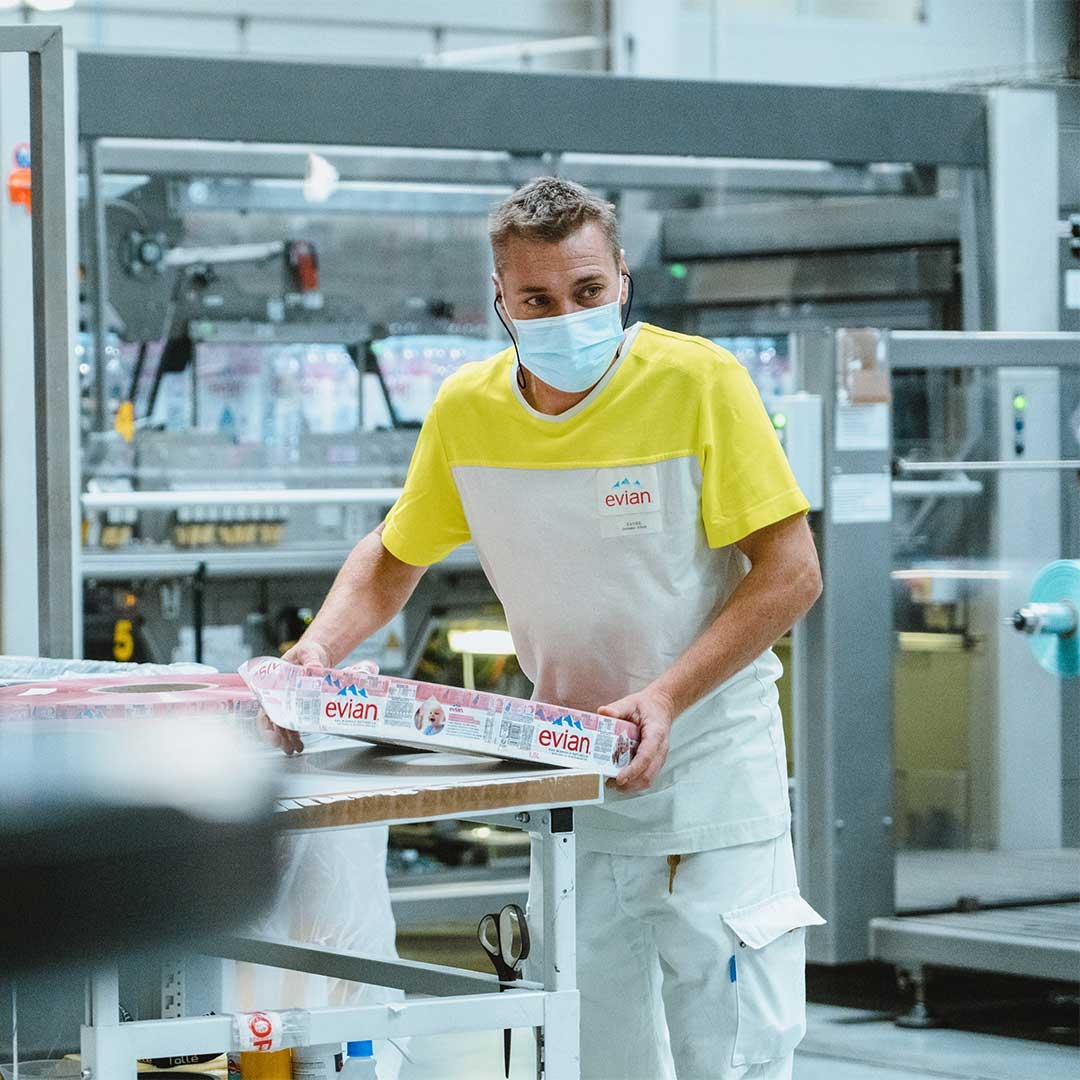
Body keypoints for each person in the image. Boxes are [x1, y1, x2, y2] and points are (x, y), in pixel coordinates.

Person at [264, 176, 824, 1080]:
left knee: (734, 1057)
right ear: (501, 301)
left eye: (587, 292)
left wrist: (668, 695)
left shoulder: (698, 383)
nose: (566, 315)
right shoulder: (467, 410)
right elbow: (393, 551)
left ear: (623, 281)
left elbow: (792, 573)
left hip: (711, 788)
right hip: (570, 789)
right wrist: (318, 650)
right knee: (591, 1057)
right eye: (537, 300)